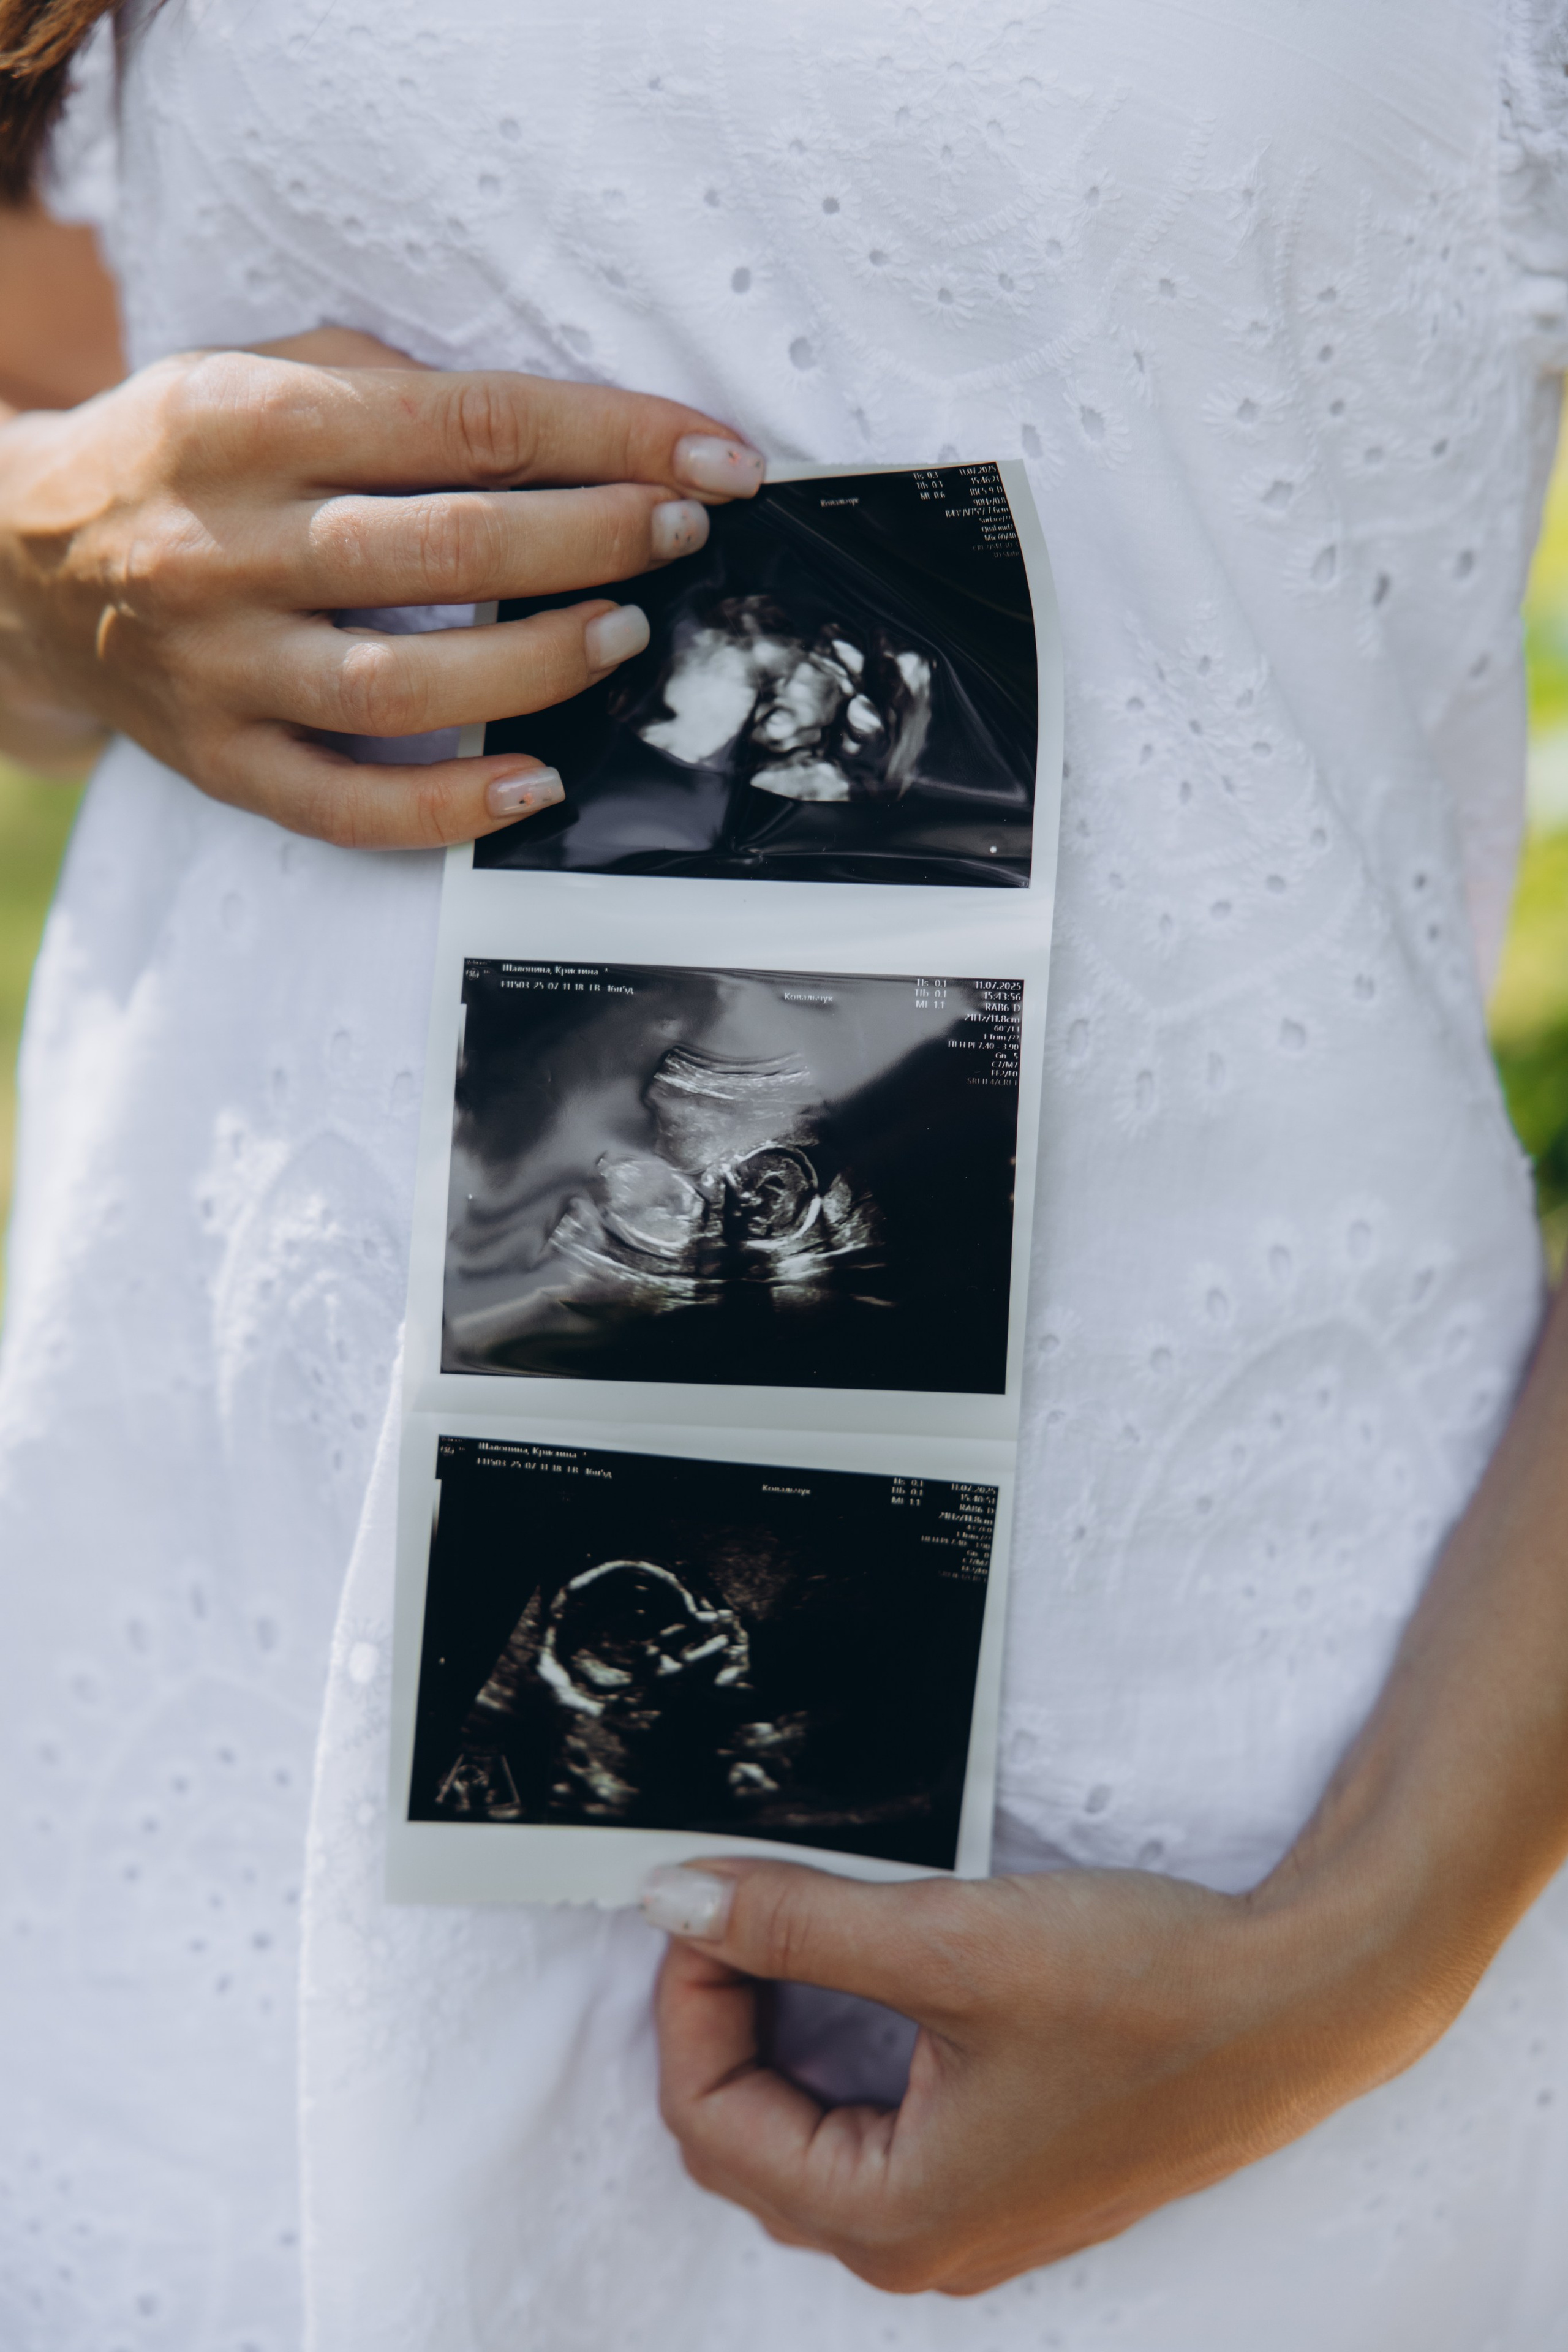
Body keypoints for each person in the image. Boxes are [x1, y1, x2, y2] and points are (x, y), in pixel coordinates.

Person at [2, 2, 1567, 2344]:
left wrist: (1368, 1944)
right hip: (238, 1663)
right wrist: (42, 557)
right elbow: (57, 364)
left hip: (1217, 1834)